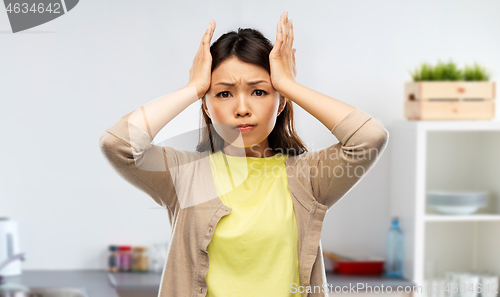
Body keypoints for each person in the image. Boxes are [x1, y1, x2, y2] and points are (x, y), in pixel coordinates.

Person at [99, 11, 389, 297]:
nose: (241, 108)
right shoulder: (184, 175)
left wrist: (289, 85)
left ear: (280, 103)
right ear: (206, 107)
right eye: (224, 93)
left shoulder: (308, 177)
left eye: (259, 92)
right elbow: (118, 144)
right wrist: (192, 88)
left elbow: (369, 137)